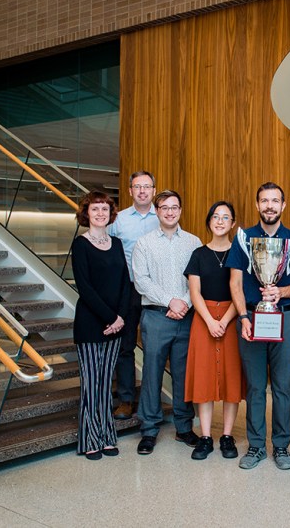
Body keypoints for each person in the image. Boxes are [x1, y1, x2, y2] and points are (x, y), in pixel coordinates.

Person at [226, 182, 290, 470]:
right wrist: (243, 317)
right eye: (264, 201)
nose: (270, 206)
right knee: (254, 386)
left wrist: (281, 292)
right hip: (251, 317)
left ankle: (282, 446)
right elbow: (235, 282)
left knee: (282, 386)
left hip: (285, 318)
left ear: (283, 205)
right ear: (257, 205)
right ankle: (255, 446)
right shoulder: (243, 239)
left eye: (275, 200)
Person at [132, 190, 202, 455]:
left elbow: (198, 280)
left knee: (185, 375)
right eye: (164, 207)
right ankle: (149, 430)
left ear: (180, 210)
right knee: (152, 373)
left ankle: (184, 427)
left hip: (187, 317)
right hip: (155, 316)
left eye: (175, 207)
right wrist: (171, 301)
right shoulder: (144, 243)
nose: (170, 212)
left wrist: (184, 303)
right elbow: (142, 281)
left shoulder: (194, 242)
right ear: (157, 210)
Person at [71, 190, 131, 460]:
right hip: (90, 324)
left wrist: (120, 318)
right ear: (86, 213)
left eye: (104, 209)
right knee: (91, 385)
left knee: (106, 384)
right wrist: (110, 318)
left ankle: (107, 435)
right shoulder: (81, 245)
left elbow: (124, 285)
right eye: (94, 209)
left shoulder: (117, 244)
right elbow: (85, 288)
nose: (99, 213)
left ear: (110, 214)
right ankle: (89, 439)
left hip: (115, 325)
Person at [184, 201, 244, 460]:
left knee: (232, 377)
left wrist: (227, 318)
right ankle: (206, 436)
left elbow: (241, 291)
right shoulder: (198, 254)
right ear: (209, 222)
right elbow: (194, 292)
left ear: (233, 224)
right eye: (215, 217)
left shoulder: (240, 253)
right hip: (203, 318)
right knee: (204, 377)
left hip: (232, 318)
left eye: (226, 217)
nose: (220, 221)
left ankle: (227, 436)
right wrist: (210, 320)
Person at [108, 170, 158, 420]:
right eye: (137, 187)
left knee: (154, 347)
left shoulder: (163, 217)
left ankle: (152, 400)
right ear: (130, 191)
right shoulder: (118, 220)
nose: (142, 191)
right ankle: (126, 400)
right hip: (127, 289)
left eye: (146, 187)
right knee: (125, 346)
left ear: (153, 191)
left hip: (155, 291)